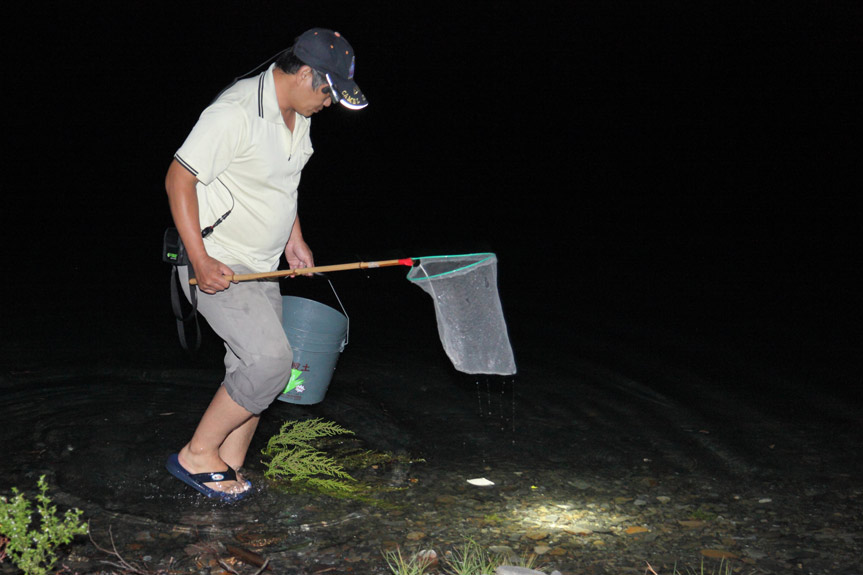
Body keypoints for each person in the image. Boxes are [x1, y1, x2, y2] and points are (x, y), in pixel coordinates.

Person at [163, 28, 367, 501]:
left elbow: (283, 183)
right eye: (328, 92)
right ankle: (197, 455)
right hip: (218, 261)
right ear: (306, 74)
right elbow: (178, 180)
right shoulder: (235, 112)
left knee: (248, 369)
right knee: (271, 363)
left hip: (263, 266)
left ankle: (227, 468)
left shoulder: (299, 115)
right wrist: (200, 260)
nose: (329, 103)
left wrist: (295, 240)